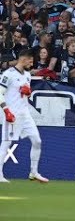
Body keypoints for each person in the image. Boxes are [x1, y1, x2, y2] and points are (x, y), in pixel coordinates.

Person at [0, 49, 47, 183]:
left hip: (25, 114)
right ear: (23, 59)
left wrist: (28, 92)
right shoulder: (8, 74)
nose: (32, 64)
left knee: (37, 141)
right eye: (30, 61)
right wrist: (6, 110)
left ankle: (34, 172)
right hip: (12, 114)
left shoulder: (27, 75)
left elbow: (25, 94)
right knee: (6, 143)